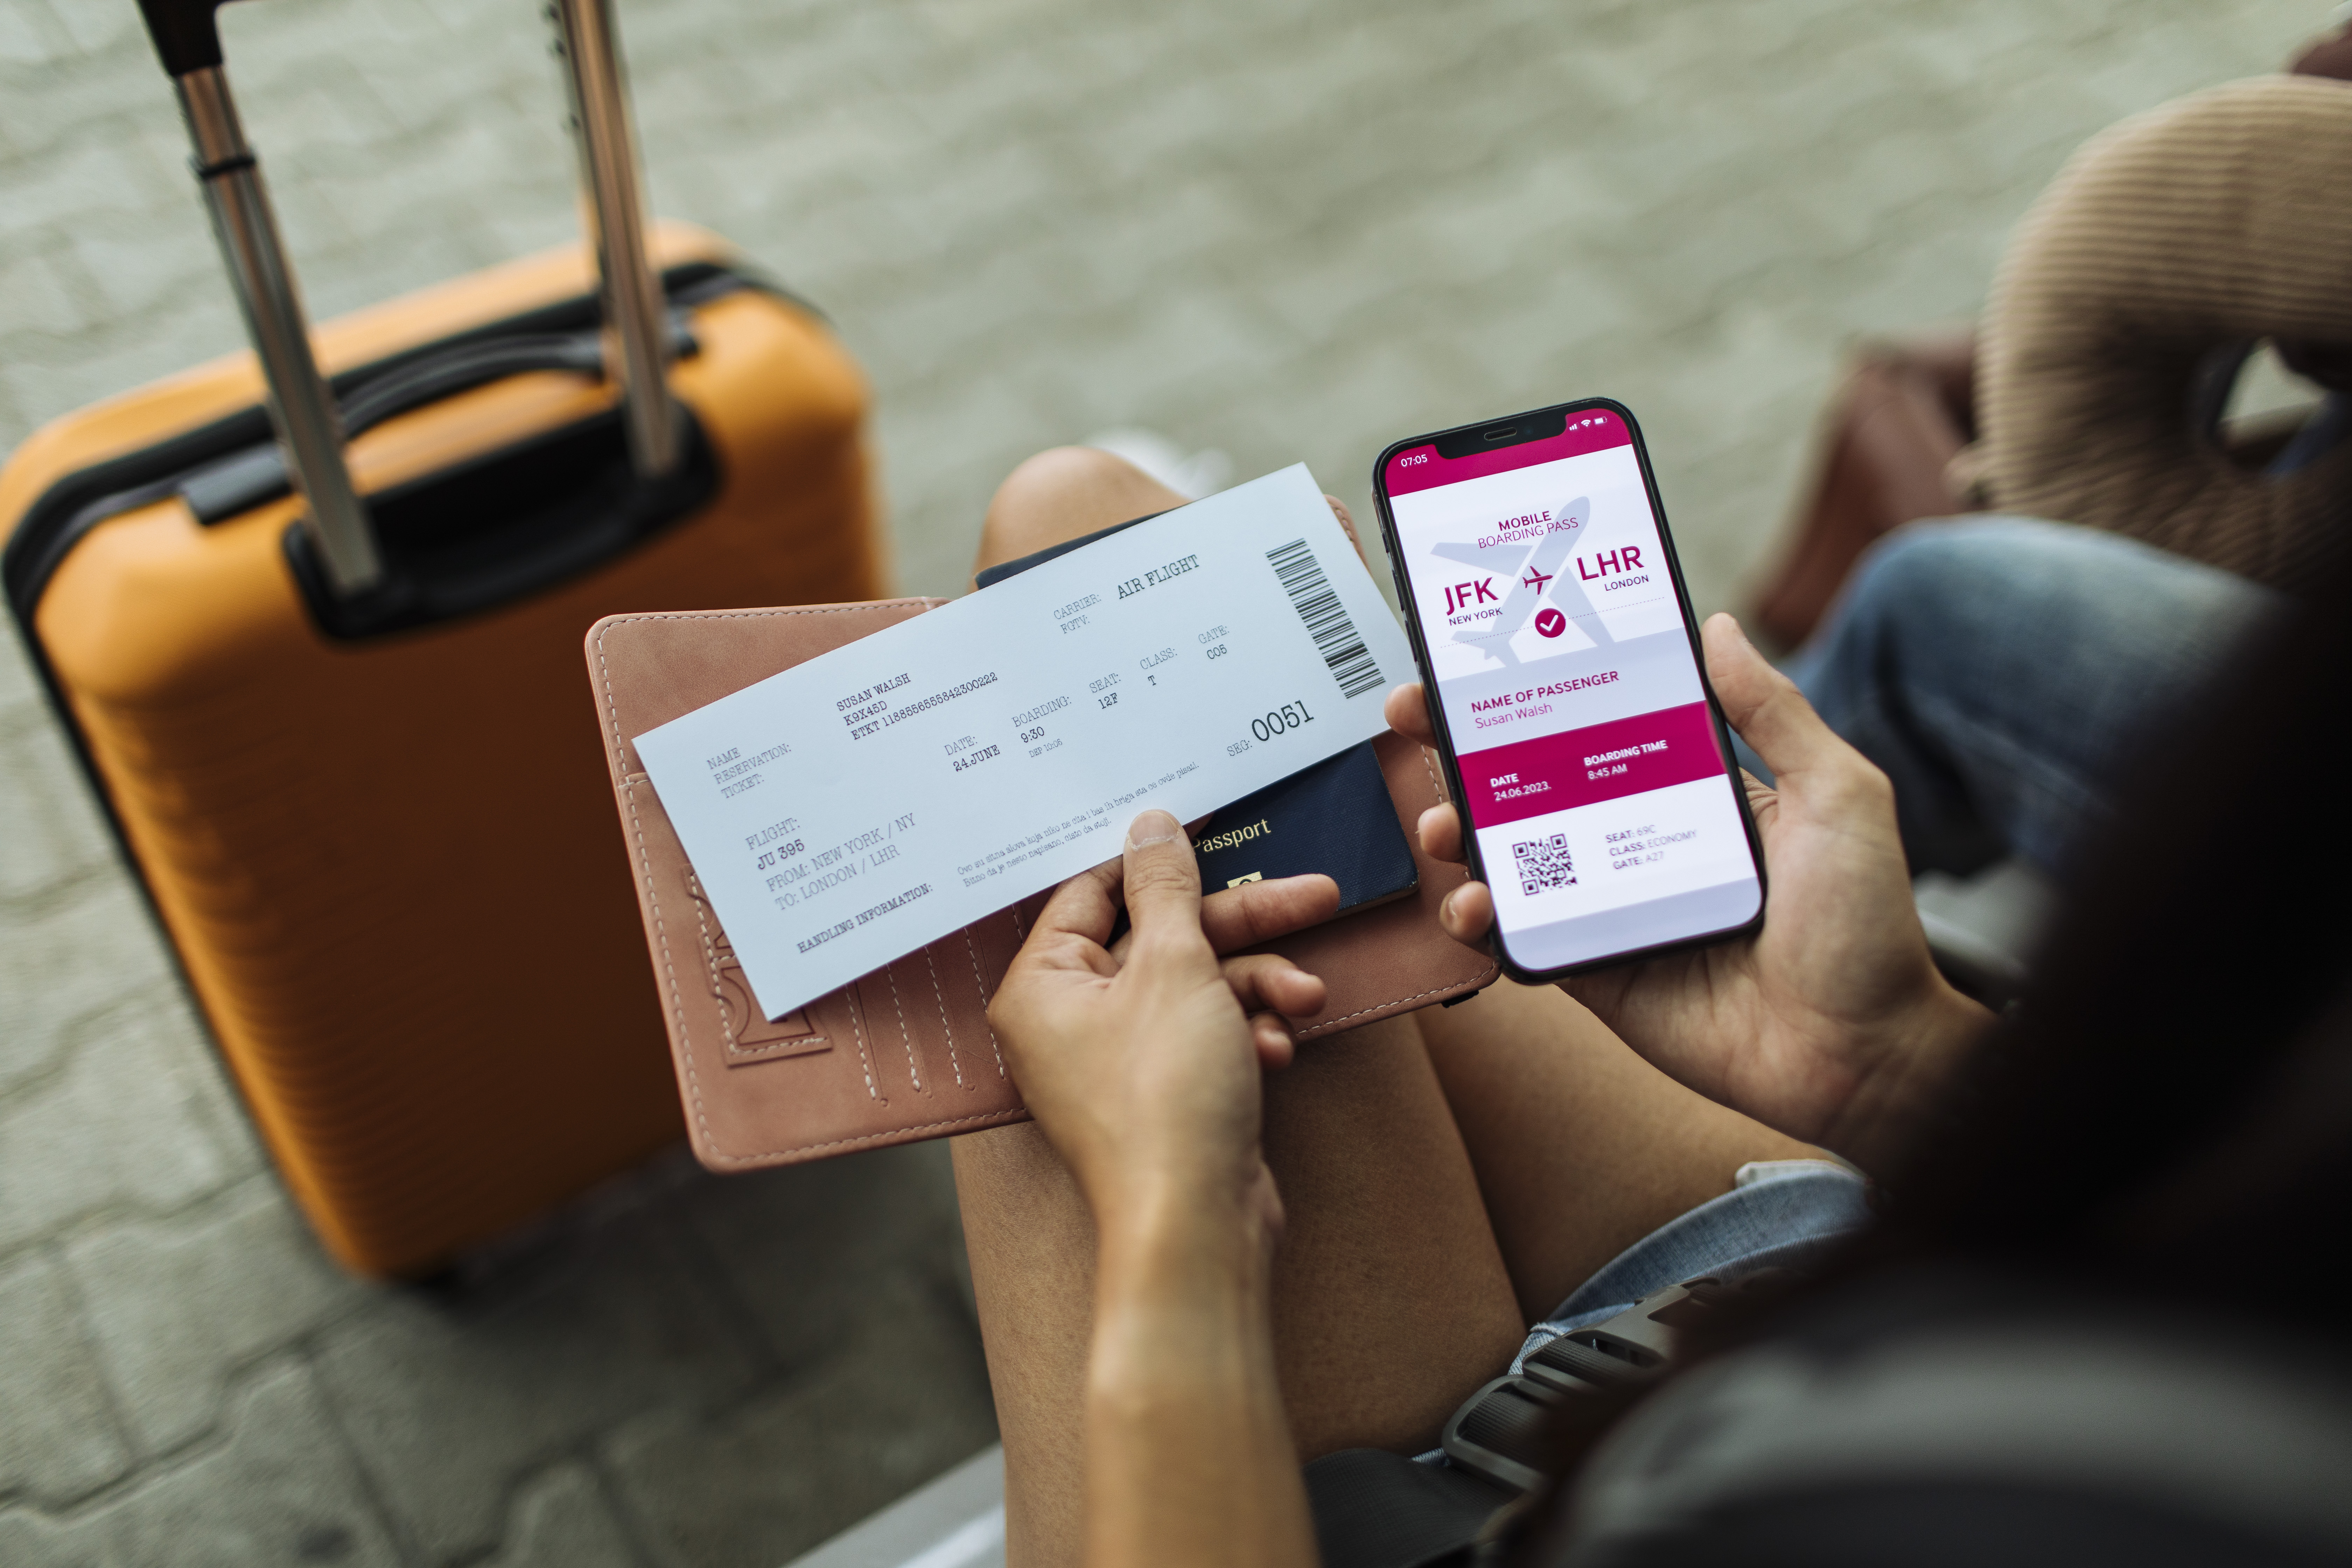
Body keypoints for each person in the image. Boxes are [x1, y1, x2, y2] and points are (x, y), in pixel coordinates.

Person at [952, 448, 2351, 1567]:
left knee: (1069, 540)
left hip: (1387, 1515)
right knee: (1095, 524)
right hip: (1781, 1298)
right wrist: (1888, 1064)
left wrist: (1174, 1215)